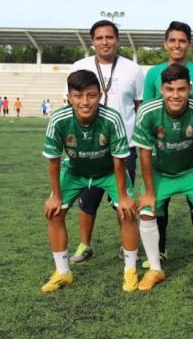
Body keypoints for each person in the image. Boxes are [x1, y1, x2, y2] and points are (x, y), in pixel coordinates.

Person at [41, 70, 138, 292]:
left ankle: (130, 269)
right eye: (78, 96)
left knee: (127, 211)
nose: (85, 102)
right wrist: (56, 197)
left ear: (100, 95)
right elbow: (54, 160)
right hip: (75, 171)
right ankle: (63, 272)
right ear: (69, 97)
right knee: (54, 212)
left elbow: (119, 161)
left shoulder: (112, 118)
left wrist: (123, 197)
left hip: (108, 171)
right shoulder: (58, 119)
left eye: (91, 95)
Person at [133, 64, 193, 292]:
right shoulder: (147, 111)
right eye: (170, 89)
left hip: (191, 171)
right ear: (161, 89)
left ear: (190, 88)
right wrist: (149, 192)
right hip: (161, 172)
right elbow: (144, 153)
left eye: (181, 89)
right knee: (147, 210)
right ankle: (155, 269)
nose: (175, 95)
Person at [68, 20, 144, 264]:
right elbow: (72, 105)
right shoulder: (79, 67)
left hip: (124, 147)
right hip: (88, 147)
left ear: (117, 40)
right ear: (93, 41)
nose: (105, 42)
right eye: (99, 38)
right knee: (87, 200)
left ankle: (126, 246)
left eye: (109, 37)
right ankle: (84, 245)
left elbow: (139, 107)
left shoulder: (133, 69)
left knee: (123, 201)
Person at [142, 21, 193, 268]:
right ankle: (159, 251)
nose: (177, 45)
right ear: (165, 44)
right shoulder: (153, 73)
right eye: (172, 40)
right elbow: (149, 109)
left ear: (189, 44)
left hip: (191, 150)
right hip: (162, 150)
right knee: (158, 205)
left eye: (182, 41)